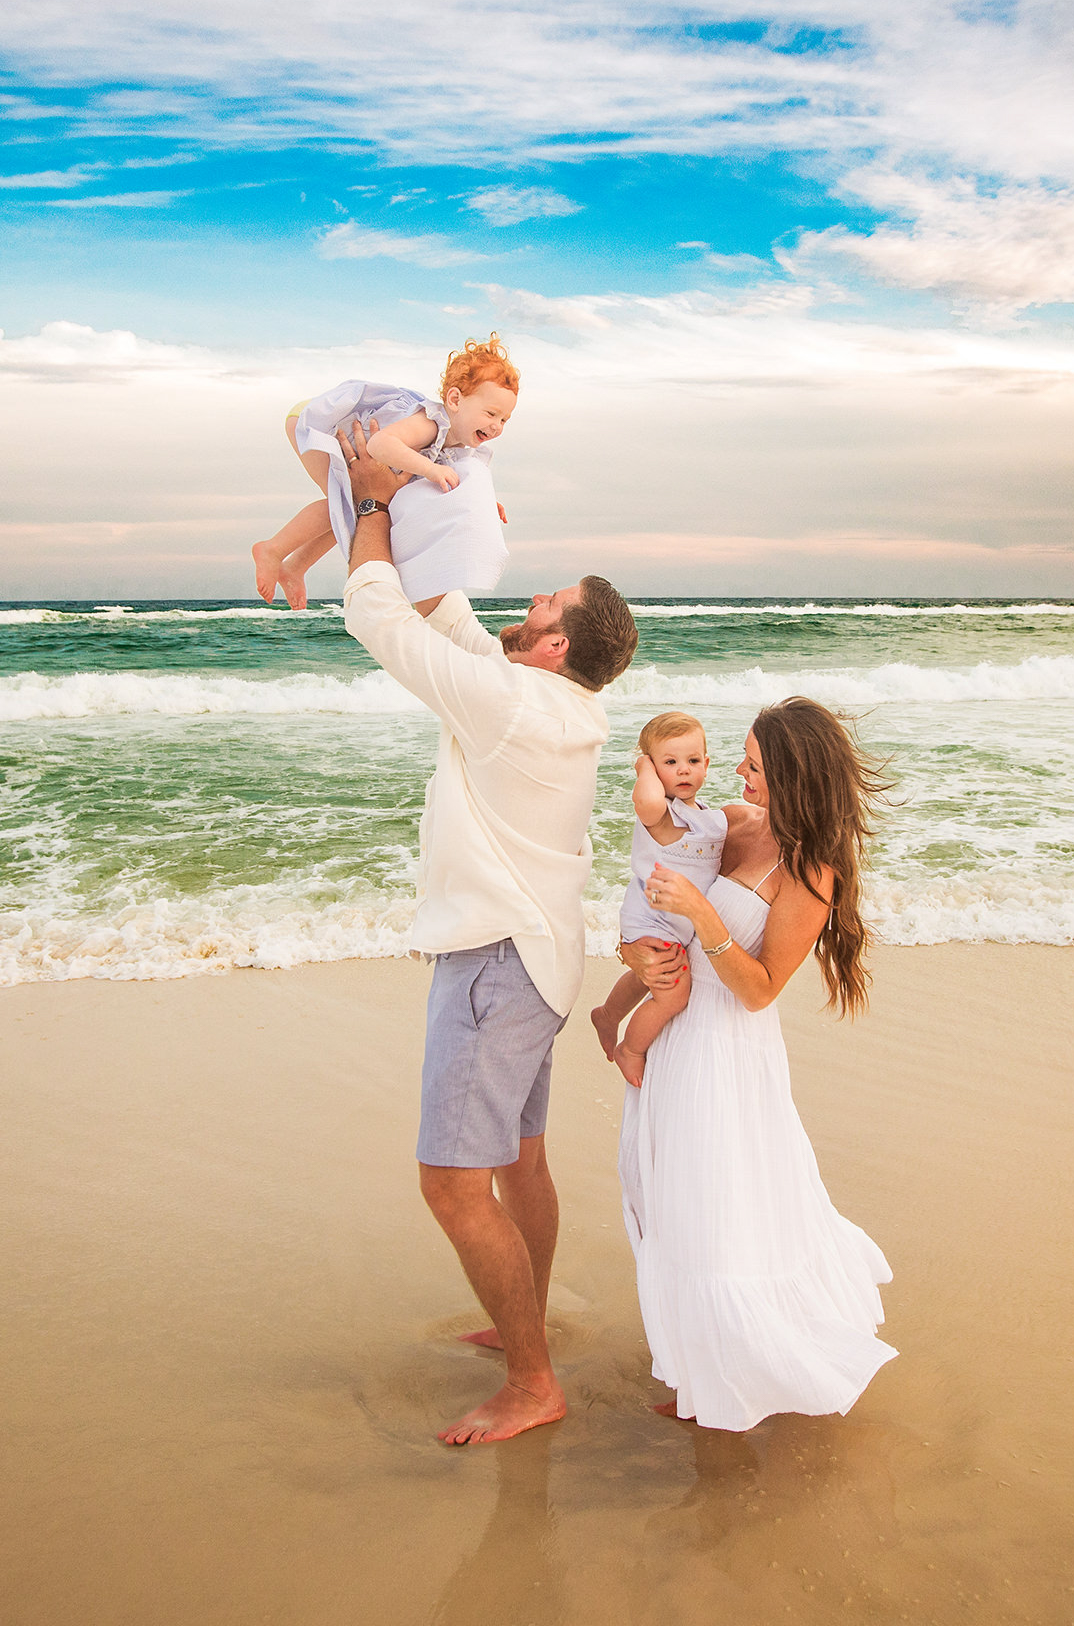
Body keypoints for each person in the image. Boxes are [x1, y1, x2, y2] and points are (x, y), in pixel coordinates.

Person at [336, 418, 638, 1447]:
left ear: (556, 644)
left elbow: (380, 615)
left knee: (454, 1184)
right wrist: (452, 520)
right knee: (521, 1164)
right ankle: (528, 1326)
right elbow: (450, 614)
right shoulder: (556, 703)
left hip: (495, 968)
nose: (530, 604)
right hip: (541, 963)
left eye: (545, 603)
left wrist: (375, 500)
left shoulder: (511, 704)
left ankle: (533, 1380)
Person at [617, 697, 897, 1432]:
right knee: (670, 1205)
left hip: (727, 1055)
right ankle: (701, 1369)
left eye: (755, 767)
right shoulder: (728, 825)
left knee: (721, 1221)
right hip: (678, 1034)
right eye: (739, 758)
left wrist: (708, 920)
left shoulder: (811, 871)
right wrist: (634, 954)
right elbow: (652, 893)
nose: (737, 775)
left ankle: (737, 1380)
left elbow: (760, 989)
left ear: (795, 777)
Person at [252, 334, 517, 611]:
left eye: (504, 419)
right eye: (490, 413)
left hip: (338, 433)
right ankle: (272, 549)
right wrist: (430, 469)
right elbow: (380, 444)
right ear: (454, 400)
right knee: (343, 506)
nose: (497, 426)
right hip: (320, 422)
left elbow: (464, 481)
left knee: (348, 515)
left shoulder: (461, 447)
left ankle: (295, 566)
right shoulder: (431, 423)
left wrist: (486, 504)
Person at [590, 712, 726, 1088]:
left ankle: (607, 1014)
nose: (683, 770)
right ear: (651, 767)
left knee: (643, 979)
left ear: (707, 764)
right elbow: (646, 796)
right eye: (670, 762)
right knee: (673, 993)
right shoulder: (659, 813)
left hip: (674, 925)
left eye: (693, 761)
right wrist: (643, 767)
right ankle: (630, 1050)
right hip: (650, 921)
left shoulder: (707, 817)